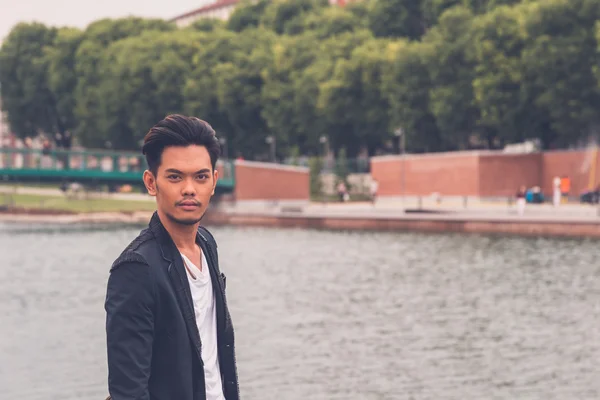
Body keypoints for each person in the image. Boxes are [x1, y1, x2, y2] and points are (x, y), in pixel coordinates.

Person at [104, 115, 239, 400]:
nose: (189, 188)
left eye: (201, 176)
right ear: (151, 182)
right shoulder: (136, 269)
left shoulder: (206, 244)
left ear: (214, 182)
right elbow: (128, 391)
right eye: (175, 177)